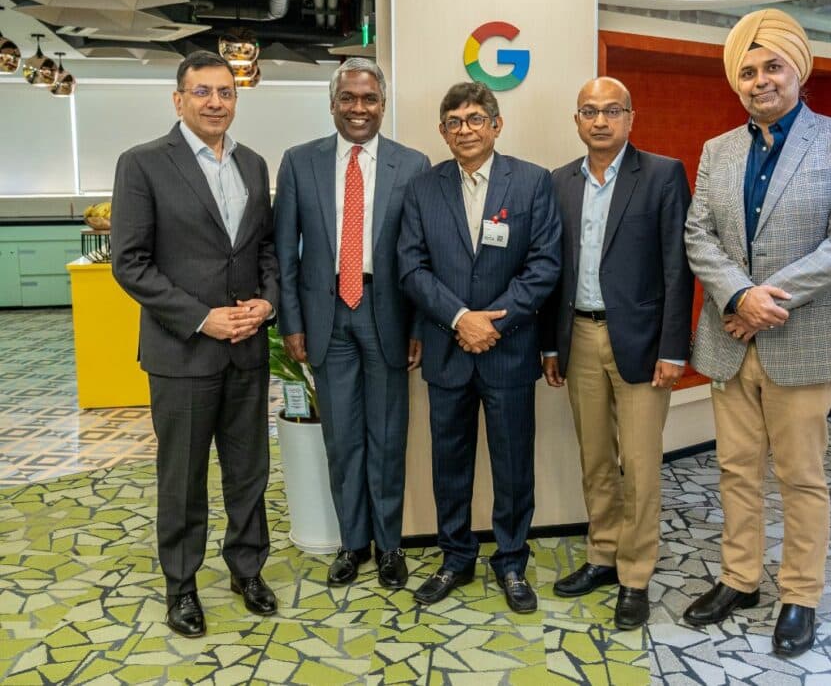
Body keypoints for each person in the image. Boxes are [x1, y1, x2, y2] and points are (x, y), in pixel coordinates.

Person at [682, 9, 831, 656]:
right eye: (748, 70)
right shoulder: (718, 150)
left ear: (798, 70)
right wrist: (739, 295)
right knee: (736, 470)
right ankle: (740, 578)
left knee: (801, 475)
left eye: (773, 66)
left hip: (803, 338)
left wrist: (763, 300)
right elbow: (698, 235)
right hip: (729, 339)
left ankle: (800, 593)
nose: (760, 80)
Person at [111, 50, 280, 638]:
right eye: (203, 92)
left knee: (249, 471)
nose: (215, 102)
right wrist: (202, 318)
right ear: (178, 99)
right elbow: (130, 264)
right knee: (183, 479)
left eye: (225, 92)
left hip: (246, 349)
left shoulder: (253, 164)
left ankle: (247, 569)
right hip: (182, 352)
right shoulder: (142, 164)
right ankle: (181, 586)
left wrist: (267, 302)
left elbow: (264, 249)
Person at [397, 81, 561, 613]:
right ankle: (456, 557)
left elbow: (544, 265)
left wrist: (494, 322)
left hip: (508, 350)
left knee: (513, 465)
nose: (464, 130)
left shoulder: (532, 182)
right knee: (449, 464)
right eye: (454, 122)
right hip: (448, 350)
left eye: (474, 119)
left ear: (496, 125)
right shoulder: (423, 188)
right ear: (442, 132)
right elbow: (411, 267)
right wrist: (460, 319)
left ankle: (511, 561)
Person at [540, 77, 692, 630]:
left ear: (631, 117)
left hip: (644, 343)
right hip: (578, 336)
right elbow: (552, 269)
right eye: (589, 111)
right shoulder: (559, 182)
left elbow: (678, 268)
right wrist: (550, 343)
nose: (600, 121)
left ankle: (636, 573)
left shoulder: (662, 175)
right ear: (576, 120)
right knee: (596, 458)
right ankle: (603, 554)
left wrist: (673, 348)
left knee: (642, 465)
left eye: (611, 111)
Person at [274, 58, 430, 589]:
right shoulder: (300, 162)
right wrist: (291, 321)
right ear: (333, 104)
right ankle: (352, 543)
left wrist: (417, 327)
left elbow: (421, 255)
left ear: (383, 105)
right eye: (348, 98)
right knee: (342, 440)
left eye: (368, 99)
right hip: (326, 317)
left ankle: (389, 545)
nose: (358, 108)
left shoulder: (412, 165)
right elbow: (284, 252)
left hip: (388, 316)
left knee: (387, 438)